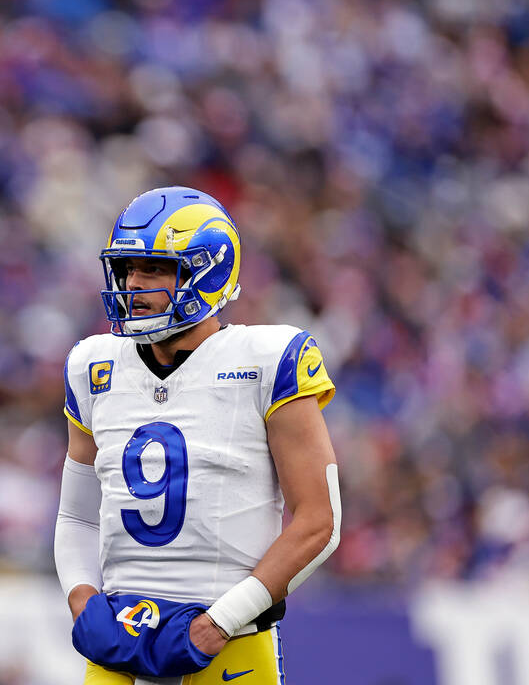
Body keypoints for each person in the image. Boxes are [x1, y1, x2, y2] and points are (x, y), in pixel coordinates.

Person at [54, 187, 340, 684]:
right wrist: (83, 600)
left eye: (154, 269)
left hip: (228, 647)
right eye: (127, 269)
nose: (133, 284)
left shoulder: (268, 359)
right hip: (119, 644)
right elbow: (76, 513)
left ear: (205, 272)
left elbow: (319, 522)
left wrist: (219, 623)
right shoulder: (93, 364)